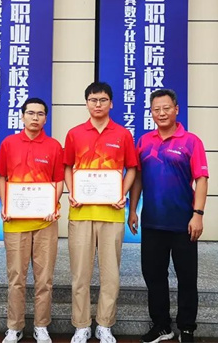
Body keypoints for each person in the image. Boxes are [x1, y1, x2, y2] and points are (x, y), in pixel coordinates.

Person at [128, 89, 209, 343]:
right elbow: (138, 178)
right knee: (154, 276)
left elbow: (202, 179)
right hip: (152, 222)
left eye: (166, 108)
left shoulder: (191, 141)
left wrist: (198, 214)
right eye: (156, 109)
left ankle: (187, 328)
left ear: (176, 109)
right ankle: (162, 325)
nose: (161, 113)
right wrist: (132, 209)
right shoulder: (144, 141)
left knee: (187, 278)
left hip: (184, 223)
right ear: (151, 112)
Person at [63, 81, 138, 343]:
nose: (98, 104)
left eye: (103, 100)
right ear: (86, 103)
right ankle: (81, 324)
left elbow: (131, 168)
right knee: (80, 274)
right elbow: (67, 166)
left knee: (111, 274)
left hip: (112, 213)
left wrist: (122, 193)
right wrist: (71, 192)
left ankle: (105, 324)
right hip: (81, 212)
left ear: (111, 103)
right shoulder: (74, 134)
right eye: (93, 100)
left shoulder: (123, 134)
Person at [0, 98, 65, 343]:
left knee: (44, 278)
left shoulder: (54, 146)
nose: (35, 118)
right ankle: (14, 327)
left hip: (46, 222)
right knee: (16, 277)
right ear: (22, 116)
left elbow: (58, 180)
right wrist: (6, 205)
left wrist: (52, 205)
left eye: (40, 114)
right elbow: (1, 176)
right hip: (16, 222)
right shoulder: (9, 143)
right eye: (30, 113)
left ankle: (41, 325)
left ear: (46, 118)